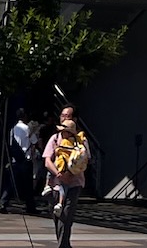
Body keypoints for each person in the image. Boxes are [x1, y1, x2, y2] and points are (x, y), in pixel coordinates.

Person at [42, 106, 90, 248]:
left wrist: (69, 173)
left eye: (67, 116)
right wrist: (59, 174)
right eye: (62, 115)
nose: (63, 118)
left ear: (74, 119)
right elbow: (47, 160)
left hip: (74, 183)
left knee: (66, 215)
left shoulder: (81, 141)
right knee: (57, 215)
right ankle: (65, 245)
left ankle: (62, 245)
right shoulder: (55, 138)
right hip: (55, 184)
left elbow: (84, 160)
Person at [0, 108, 33, 213]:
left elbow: (11, 144)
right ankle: (30, 206)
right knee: (28, 185)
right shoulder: (28, 128)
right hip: (25, 159)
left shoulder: (13, 129)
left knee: (11, 183)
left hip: (15, 159)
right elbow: (33, 141)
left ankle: (3, 203)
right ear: (25, 116)